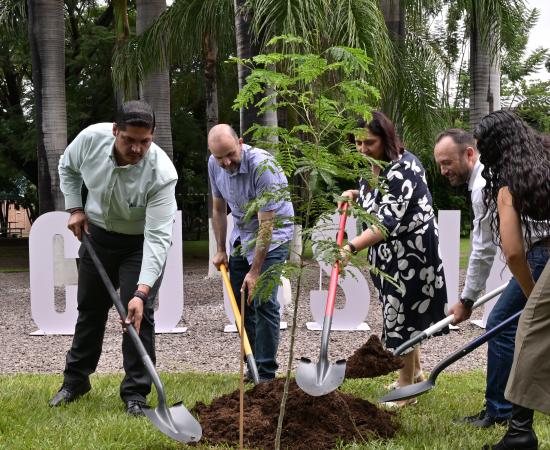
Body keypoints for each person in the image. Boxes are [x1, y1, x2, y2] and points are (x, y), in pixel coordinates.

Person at [51, 100, 177, 416]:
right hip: (98, 238)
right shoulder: (91, 139)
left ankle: (135, 394)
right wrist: (75, 208)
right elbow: (67, 166)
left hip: (139, 245)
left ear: (153, 136)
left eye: (144, 142)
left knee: (138, 314)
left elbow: (158, 238)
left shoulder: (161, 173)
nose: (136, 148)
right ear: (115, 130)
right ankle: (75, 381)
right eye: (129, 140)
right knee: (89, 309)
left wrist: (141, 292)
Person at [434, 129, 549, 427]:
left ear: (470, 153)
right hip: (536, 253)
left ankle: (500, 410)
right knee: (513, 326)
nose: (443, 170)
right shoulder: (500, 175)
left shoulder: (483, 185)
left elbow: (484, 249)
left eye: (447, 162)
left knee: (499, 323)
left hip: (538, 255)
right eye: (439, 164)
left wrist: (467, 300)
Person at [340, 111, 448, 407]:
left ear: (386, 139)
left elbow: (385, 222)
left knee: (402, 316)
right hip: (388, 253)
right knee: (400, 311)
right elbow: (374, 200)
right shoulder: (372, 165)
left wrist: (350, 247)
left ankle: (404, 389)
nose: (363, 149)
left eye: (369, 143)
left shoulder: (403, 168)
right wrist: (354, 193)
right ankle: (415, 373)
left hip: (412, 252)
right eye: (358, 143)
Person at [474, 110, 550, 450]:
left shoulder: (508, 184)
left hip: (542, 254)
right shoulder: (546, 156)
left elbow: (514, 252)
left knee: (528, 332)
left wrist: (532, 294)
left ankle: (519, 432)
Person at [208, 124, 294, 382]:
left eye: (230, 154)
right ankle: (253, 365)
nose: (225, 162)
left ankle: (266, 374)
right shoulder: (214, 164)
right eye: (219, 157)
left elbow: (267, 224)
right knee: (240, 303)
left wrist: (255, 271)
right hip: (241, 236)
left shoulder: (262, 166)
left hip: (273, 235)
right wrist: (221, 249)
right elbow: (218, 208)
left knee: (263, 301)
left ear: (241, 143)